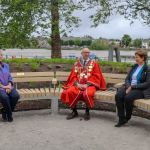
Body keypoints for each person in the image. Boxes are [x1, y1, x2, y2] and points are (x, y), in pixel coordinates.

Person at [61, 48, 106, 120]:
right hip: (78, 84)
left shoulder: (94, 64)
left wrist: (87, 84)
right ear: (81, 53)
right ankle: (74, 111)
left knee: (87, 94)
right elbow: (73, 75)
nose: (86, 54)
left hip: (90, 85)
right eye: (85, 52)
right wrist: (77, 84)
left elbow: (96, 76)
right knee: (70, 91)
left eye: (88, 52)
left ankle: (87, 112)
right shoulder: (77, 63)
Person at [115, 49, 150, 127]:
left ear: (143, 58)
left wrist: (132, 87)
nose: (135, 59)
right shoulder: (134, 66)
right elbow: (127, 78)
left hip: (140, 89)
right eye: (135, 57)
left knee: (128, 98)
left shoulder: (147, 69)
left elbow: (147, 83)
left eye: (137, 57)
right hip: (129, 87)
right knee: (118, 95)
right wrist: (128, 86)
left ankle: (127, 117)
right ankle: (121, 119)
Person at [0, 51, 20, 122]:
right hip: (1, 88)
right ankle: (9, 115)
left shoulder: (6, 65)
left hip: (9, 86)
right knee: (5, 97)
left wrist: (9, 85)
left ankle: (4, 111)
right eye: (0, 55)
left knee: (16, 96)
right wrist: (5, 87)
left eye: (1, 55)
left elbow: (9, 77)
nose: (1, 56)